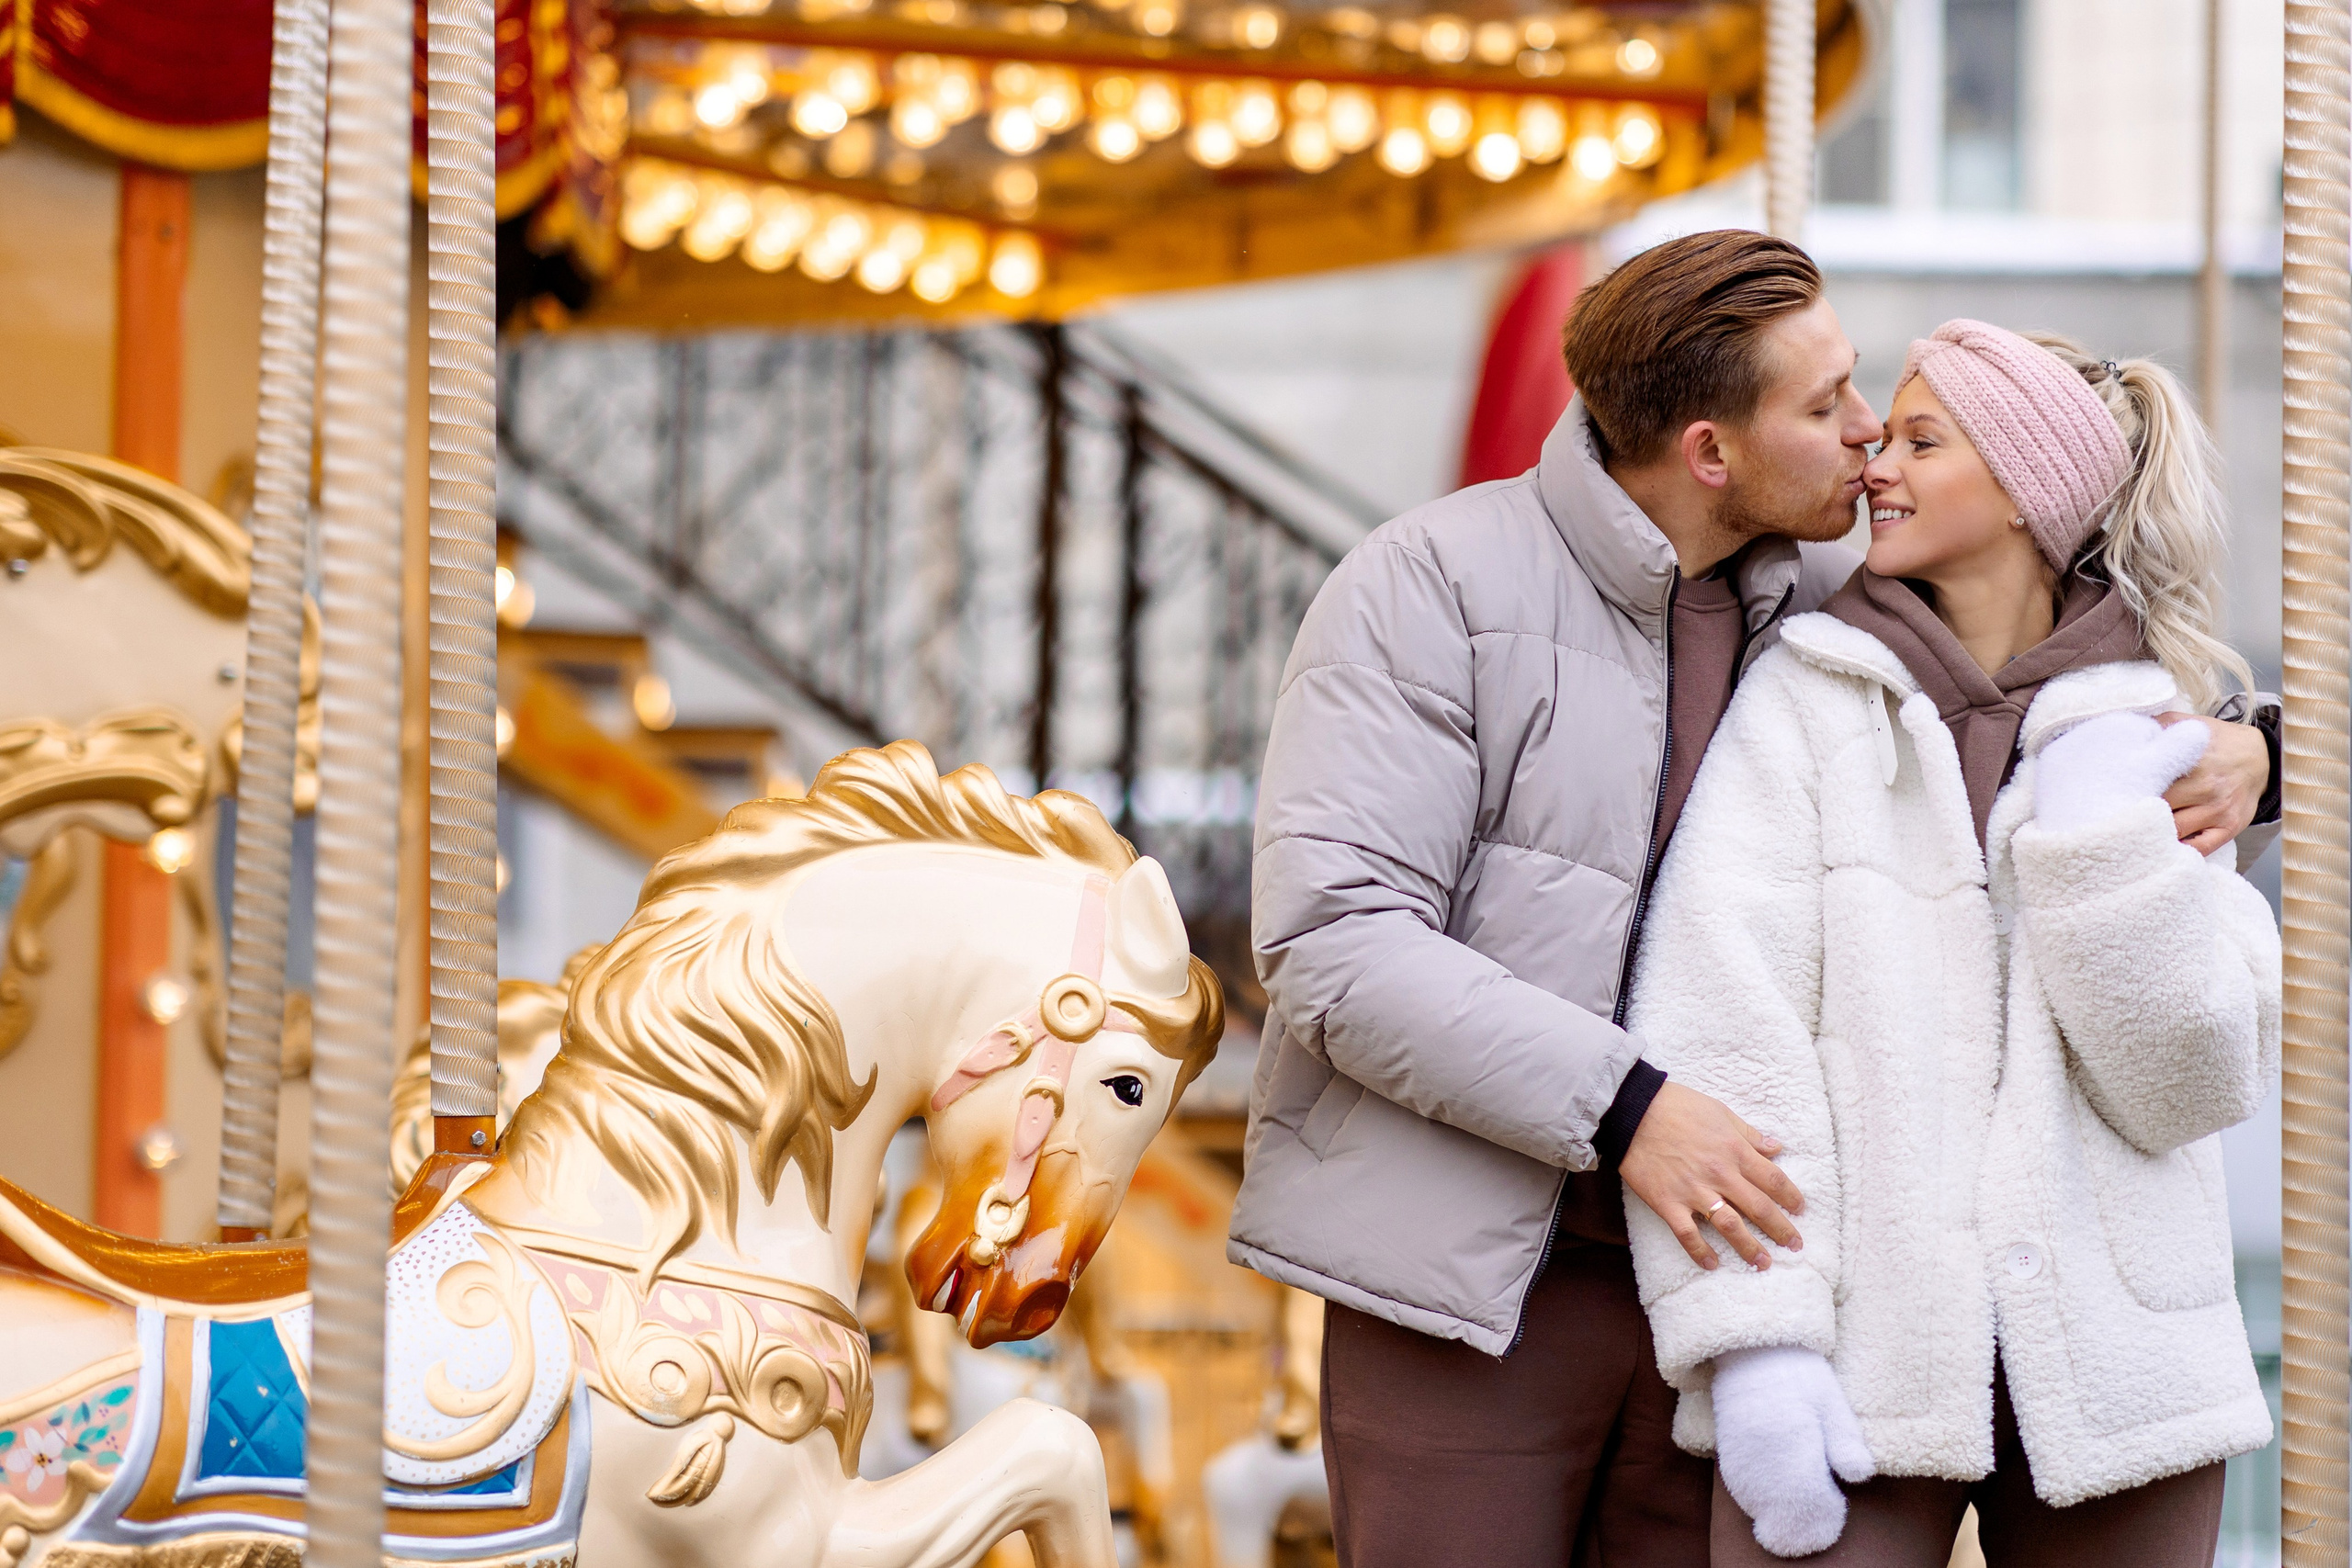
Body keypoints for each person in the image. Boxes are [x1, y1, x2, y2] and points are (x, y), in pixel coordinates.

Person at [1226, 231, 2280, 1568]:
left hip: (1725, 1281)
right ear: (1712, 453)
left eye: (1874, 404)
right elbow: (1334, 946)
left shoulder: (1833, 603)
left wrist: (2260, 751)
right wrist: (1633, 1107)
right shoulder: (1428, 584)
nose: (1865, 440)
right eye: (1828, 405)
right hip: (1481, 1276)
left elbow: (2062, 660)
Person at [1621, 320, 2278, 1565]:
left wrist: (2098, 847)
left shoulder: (2157, 733)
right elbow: (1723, 1022)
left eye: (1925, 440)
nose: (1879, 461)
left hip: (2122, 1367)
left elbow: (2188, 1081)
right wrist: (1755, 1341)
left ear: (2033, 489)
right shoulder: (1803, 706)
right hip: (1863, 1358)